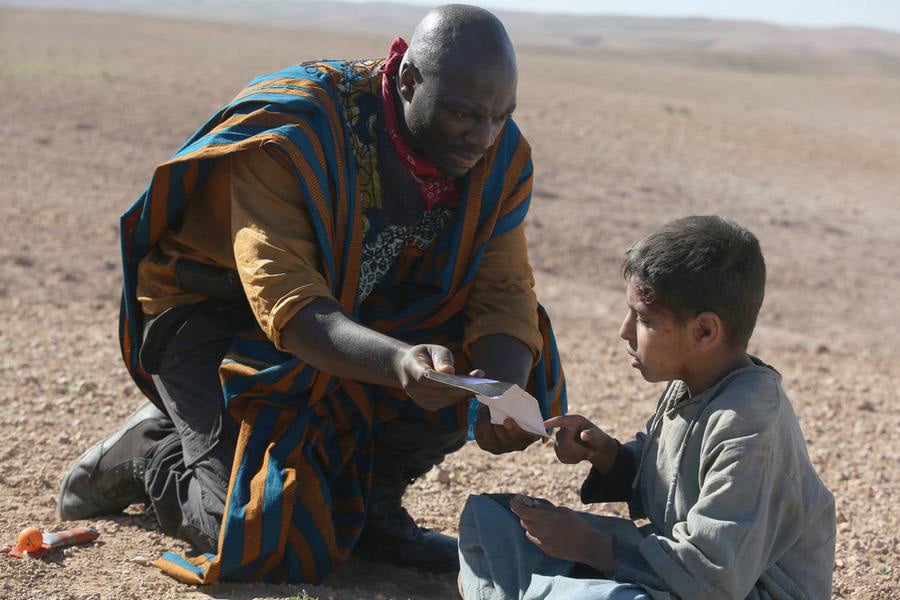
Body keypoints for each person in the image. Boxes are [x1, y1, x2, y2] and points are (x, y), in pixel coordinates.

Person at [56, 4, 566, 584]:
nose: (484, 137)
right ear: (406, 80)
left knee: (516, 345)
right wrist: (399, 361)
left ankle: (374, 505)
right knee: (257, 536)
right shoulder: (295, 133)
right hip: (214, 316)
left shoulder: (498, 155)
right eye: (463, 115)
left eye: (501, 116)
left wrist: (498, 392)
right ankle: (150, 449)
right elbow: (289, 302)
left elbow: (503, 292)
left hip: (352, 312)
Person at [459, 216, 835, 599]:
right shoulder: (692, 384)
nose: (624, 330)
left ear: (704, 331)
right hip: (669, 565)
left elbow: (715, 580)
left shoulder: (750, 427)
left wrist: (589, 546)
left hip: (731, 588)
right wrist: (608, 455)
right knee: (491, 521)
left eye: (642, 318)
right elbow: (672, 481)